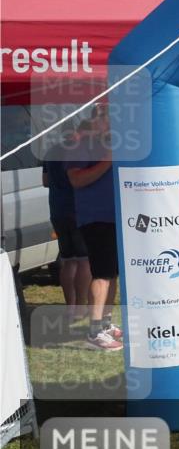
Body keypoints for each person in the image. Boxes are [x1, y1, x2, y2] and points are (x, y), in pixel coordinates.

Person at [66, 106, 122, 351]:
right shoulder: (81, 145)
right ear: (94, 120)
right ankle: (94, 331)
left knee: (111, 273)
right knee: (101, 273)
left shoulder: (115, 142)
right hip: (95, 218)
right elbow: (76, 179)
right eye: (104, 115)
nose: (110, 119)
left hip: (117, 217)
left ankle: (106, 323)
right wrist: (108, 160)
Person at [42, 129, 91, 322]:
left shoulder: (51, 150)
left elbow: (45, 181)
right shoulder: (80, 151)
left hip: (57, 210)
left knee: (68, 260)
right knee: (84, 260)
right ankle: (81, 307)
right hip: (78, 210)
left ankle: (70, 307)